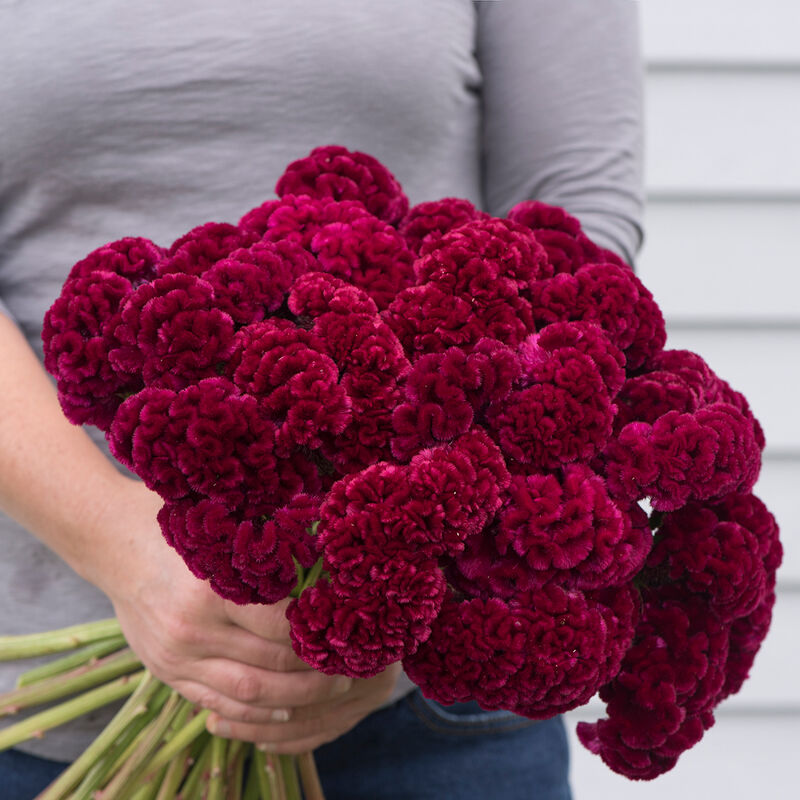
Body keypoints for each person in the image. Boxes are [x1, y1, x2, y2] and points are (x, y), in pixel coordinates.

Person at [0, 1, 644, 797]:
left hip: (430, 719)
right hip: (45, 702)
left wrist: (377, 613)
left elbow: (575, 205)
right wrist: (119, 546)